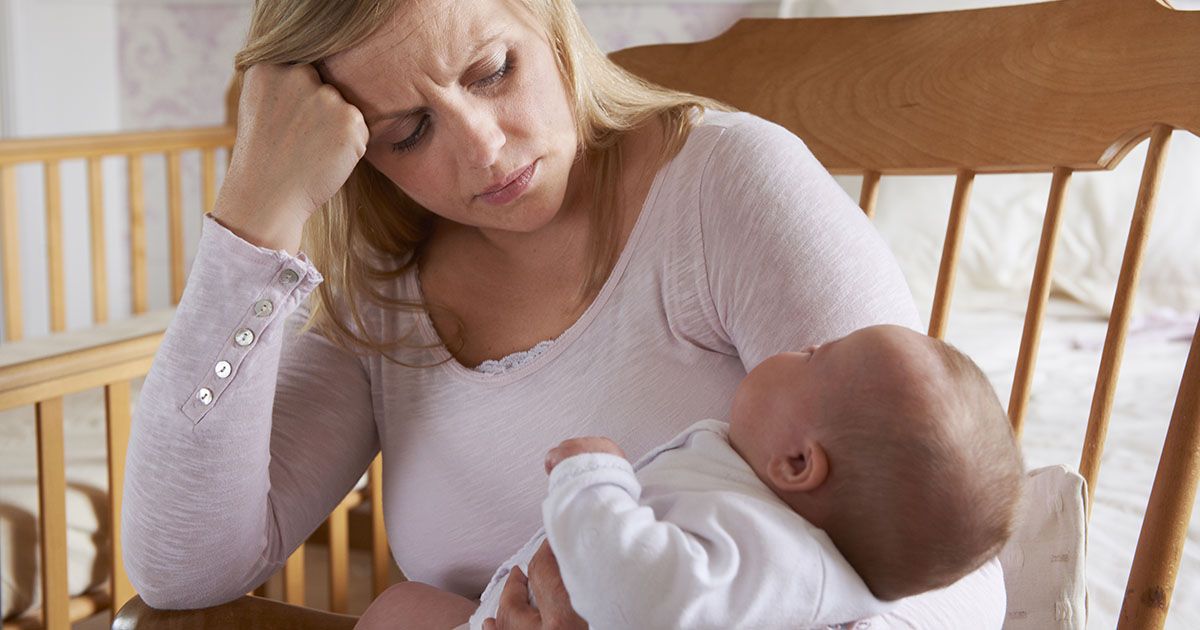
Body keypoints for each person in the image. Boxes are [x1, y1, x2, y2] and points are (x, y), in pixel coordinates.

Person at [121, 0, 1010, 627]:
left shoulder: (728, 189)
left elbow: (949, 588)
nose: (483, 148)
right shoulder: (383, 293)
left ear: (549, 17)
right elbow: (184, 563)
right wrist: (250, 223)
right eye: (408, 133)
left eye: (493, 70)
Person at [354, 324, 1023, 629]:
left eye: (815, 354)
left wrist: (595, 480)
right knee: (399, 609)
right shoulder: (775, 527)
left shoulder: (771, 549)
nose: (803, 341)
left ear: (797, 463)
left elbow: (643, 593)